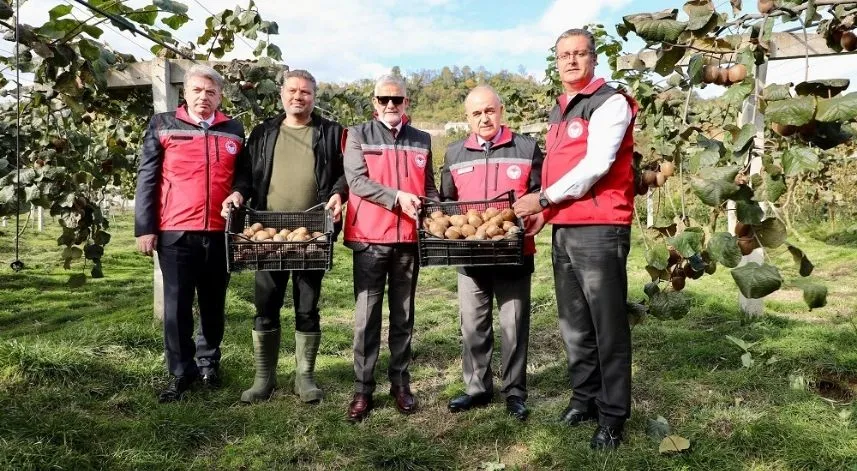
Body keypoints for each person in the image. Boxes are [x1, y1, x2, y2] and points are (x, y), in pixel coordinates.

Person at [513, 28, 639, 449]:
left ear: (594, 59)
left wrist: (543, 198)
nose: (571, 61)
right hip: (566, 229)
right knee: (574, 324)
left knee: (608, 326)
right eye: (564, 54)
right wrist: (546, 214)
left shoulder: (610, 102)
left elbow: (597, 164)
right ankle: (584, 398)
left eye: (579, 54)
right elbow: (560, 171)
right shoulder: (561, 110)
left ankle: (613, 414)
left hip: (601, 229)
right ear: (556, 60)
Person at [221, 70, 346, 404]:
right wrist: (237, 193)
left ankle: (304, 377)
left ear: (314, 96)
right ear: (282, 94)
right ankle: (264, 378)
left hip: (311, 235)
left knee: (307, 306)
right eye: (292, 90)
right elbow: (246, 174)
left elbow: (344, 173)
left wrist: (338, 194)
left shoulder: (331, 133)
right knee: (266, 304)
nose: (298, 97)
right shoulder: (263, 132)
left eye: (305, 92)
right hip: (268, 233)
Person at [135, 64, 245, 402]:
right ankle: (181, 372)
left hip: (219, 231)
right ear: (186, 93)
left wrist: (240, 191)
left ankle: (208, 362)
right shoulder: (163, 125)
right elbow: (147, 177)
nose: (204, 97)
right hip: (175, 231)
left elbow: (245, 176)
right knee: (177, 306)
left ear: (220, 96)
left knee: (213, 304)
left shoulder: (234, 130)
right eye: (197, 90)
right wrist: (145, 227)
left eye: (211, 92)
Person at [440, 85, 543, 421]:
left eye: (489, 111)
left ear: (500, 111)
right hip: (470, 253)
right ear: (467, 118)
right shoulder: (454, 154)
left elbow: (544, 193)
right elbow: (446, 202)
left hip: (513, 250)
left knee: (513, 324)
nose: (484, 118)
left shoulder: (526, 147)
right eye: (476, 113)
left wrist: (539, 216)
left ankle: (515, 392)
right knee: (473, 323)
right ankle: (477, 388)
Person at [342, 74, 439, 422]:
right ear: (374, 103)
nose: (390, 105)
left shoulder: (422, 139)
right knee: (366, 318)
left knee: (404, 315)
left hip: (408, 241)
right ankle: (362, 388)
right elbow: (357, 181)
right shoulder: (357, 135)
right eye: (384, 99)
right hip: (370, 238)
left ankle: (400, 382)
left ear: (406, 103)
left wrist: (436, 213)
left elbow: (428, 188)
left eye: (397, 100)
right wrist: (397, 198)